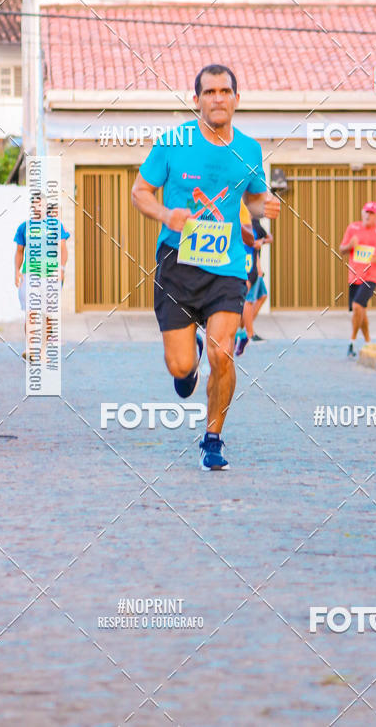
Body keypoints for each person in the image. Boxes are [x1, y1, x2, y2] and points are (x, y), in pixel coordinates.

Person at [131, 64, 280, 470]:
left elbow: (251, 200)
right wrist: (166, 215)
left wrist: (261, 208)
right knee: (181, 367)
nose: (218, 98)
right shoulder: (173, 143)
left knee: (223, 354)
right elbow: (139, 192)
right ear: (196, 99)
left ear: (237, 98)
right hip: (177, 263)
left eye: (225, 90)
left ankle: (213, 438)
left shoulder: (249, 149)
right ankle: (187, 361)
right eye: (209, 91)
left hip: (227, 265)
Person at [339, 201, 376, 358]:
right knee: (361, 311)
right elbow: (342, 249)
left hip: (372, 275)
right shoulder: (353, 228)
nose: (368, 215)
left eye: (371, 213)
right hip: (354, 275)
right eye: (366, 212)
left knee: (358, 306)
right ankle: (367, 342)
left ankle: (351, 342)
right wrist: (350, 245)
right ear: (362, 213)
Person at [14, 192, 69, 360]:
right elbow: (19, 251)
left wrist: (61, 268)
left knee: (47, 316)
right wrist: (16, 271)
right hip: (30, 275)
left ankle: (43, 349)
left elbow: (63, 248)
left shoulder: (55, 226)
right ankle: (31, 348)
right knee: (31, 313)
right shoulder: (24, 227)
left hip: (51, 275)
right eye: (35, 204)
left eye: (41, 204)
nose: (38, 207)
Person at [235, 217, 272, 354]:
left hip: (255, 268)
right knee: (248, 301)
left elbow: (268, 237)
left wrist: (261, 242)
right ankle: (249, 334)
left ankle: (241, 329)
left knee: (262, 296)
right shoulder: (239, 220)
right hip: (247, 267)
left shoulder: (255, 222)